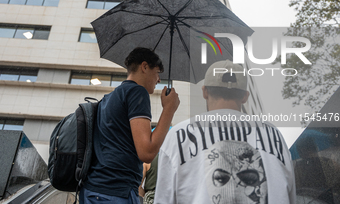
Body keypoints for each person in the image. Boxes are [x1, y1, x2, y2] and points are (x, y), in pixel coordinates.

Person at [154, 60, 296, 204]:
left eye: (248, 179)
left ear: (204, 91)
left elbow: (163, 199)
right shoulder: (273, 135)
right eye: (221, 179)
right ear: (245, 96)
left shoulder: (178, 134)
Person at [80, 47, 180, 204]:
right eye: (157, 72)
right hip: (115, 192)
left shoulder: (110, 97)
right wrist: (169, 109)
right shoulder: (137, 92)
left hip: (94, 190)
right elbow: (147, 152)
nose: (159, 79)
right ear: (145, 67)